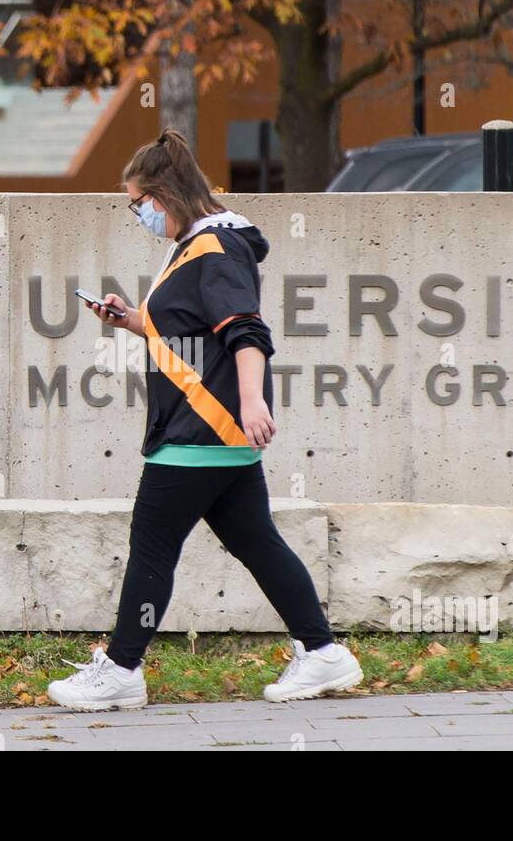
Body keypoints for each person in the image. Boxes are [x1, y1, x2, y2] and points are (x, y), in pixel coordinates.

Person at [46, 129, 363, 711]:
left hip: (201, 427)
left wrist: (252, 402)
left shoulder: (216, 248)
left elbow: (245, 329)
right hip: (210, 430)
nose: (137, 214)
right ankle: (322, 653)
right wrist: (131, 320)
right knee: (257, 542)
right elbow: (190, 325)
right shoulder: (195, 246)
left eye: (136, 204)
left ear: (163, 195)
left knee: (152, 547)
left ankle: (120, 668)